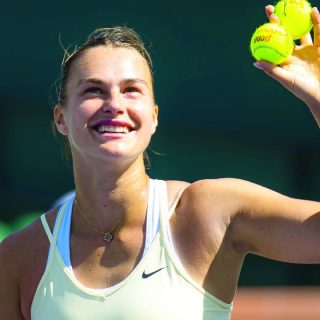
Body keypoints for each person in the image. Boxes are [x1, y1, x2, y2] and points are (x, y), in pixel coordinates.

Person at [1, 4, 320, 320]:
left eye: (131, 90)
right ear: (61, 118)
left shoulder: (209, 212)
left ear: (153, 117)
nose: (114, 104)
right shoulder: (18, 256)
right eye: (93, 90)